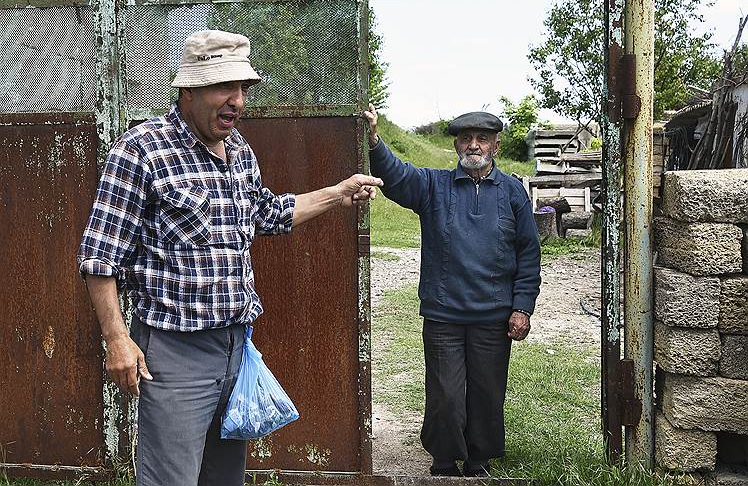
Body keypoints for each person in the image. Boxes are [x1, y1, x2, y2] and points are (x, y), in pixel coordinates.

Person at [77, 30, 382, 486]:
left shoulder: (238, 151)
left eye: (242, 89)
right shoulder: (141, 150)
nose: (236, 101)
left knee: (224, 478)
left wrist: (336, 195)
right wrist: (118, 341)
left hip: (236, 347)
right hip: (174, 352)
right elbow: (100, 256)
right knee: (170, 480)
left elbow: (267, 213)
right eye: (224, 87)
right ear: (189, 90)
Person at [365, 104, 541, 477]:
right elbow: (397, 176)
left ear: (495, 145)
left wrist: (522, 307)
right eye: (466, 138)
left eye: (482, 139)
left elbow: (528, 255)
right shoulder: (434, 187)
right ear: (457, 144)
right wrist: (375, 141)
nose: (473, 145)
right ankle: (444, 460)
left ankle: (479, 459)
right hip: (444, 314)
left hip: (493, 317)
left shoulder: (513, 193)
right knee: (445, 394)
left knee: (487, 395)